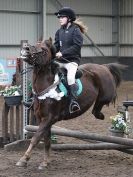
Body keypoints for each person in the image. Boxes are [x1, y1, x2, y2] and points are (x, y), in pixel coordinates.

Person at [54, 7, 87, 113]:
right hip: (60, 61)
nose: (60, 19)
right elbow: (56, 45)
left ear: (69, 18)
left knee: (70, 78)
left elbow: (77, 47)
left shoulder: (76, 30)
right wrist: (51, 51)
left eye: (62, 17)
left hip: (71, 61)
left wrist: (62, 53)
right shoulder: (59, 31)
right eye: (59, 17)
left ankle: (73, 102)